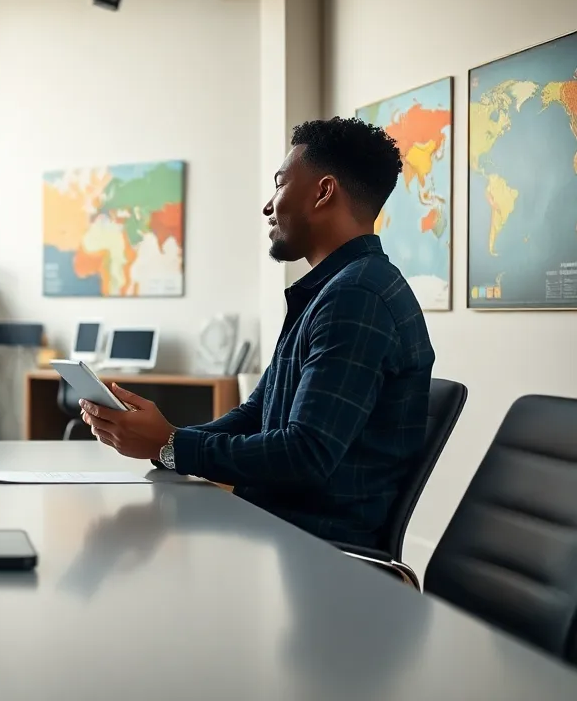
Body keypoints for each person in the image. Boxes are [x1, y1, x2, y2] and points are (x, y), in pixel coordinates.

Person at [80, 116, 435, 548]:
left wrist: (173, 444)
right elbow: (256, 414)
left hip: (317, 555)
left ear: (323, 192)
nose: (269, 206)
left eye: (280, 184)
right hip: (275, 531)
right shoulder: (332, 289)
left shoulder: (357, 294)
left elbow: (305, 454)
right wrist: (164, 442)